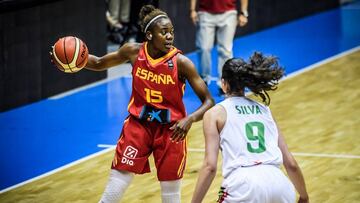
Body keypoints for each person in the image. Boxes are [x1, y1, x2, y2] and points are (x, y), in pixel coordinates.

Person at [85, 5, 214, 203]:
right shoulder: (133, 52)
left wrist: (190, 119)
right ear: (149, 35)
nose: (170, 36)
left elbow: (209, 101)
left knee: (171, 195)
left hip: (171, 131)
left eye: (171, 31)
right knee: (117, 182)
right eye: (164, 32)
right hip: (138, 125)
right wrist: (74, 61)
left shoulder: (182, 63)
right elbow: (98, 63)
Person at [191, 52, 309, 203]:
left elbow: (210, 166)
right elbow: (290, 163)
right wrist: (304, 196)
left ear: (223, 83)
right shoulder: (265, 110)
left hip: (243, 184)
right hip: (279, 183)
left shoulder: (214, 114)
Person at [190, 0, 249, 92]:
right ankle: (203, 80)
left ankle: (224, 83)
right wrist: (192, 10)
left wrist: (244, 13)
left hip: (229, 13)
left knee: (225, 50)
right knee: (203, 48)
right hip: (205, 12)